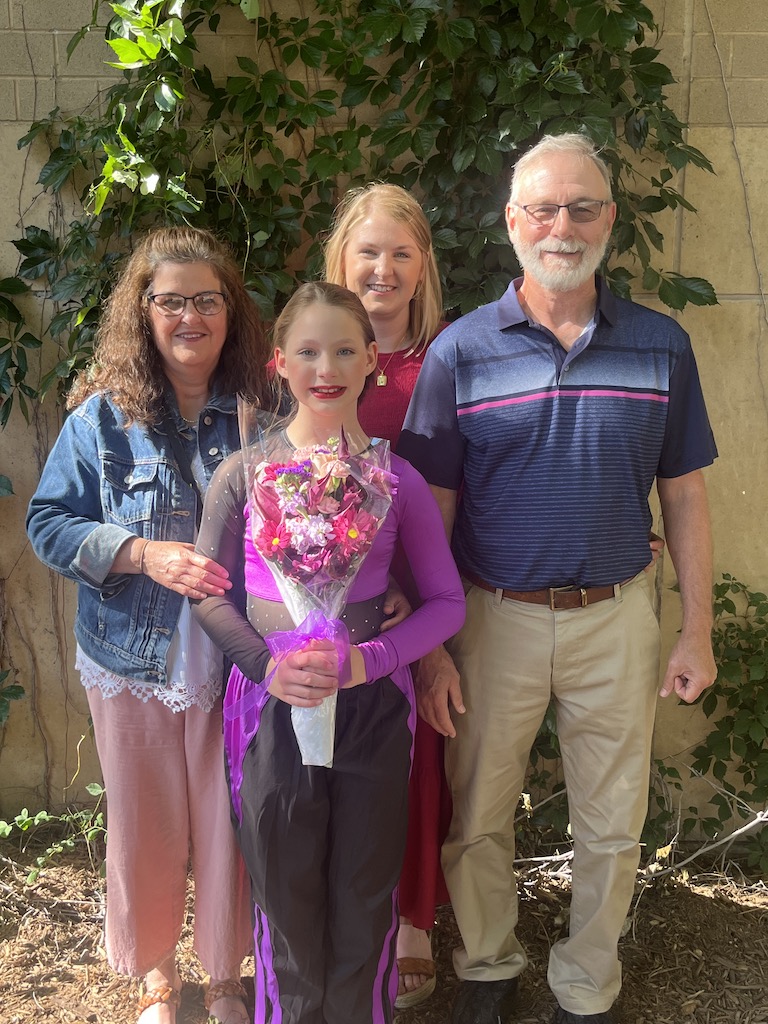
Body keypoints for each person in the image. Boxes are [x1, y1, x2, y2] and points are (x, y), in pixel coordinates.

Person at [398, 133, 718, 1024]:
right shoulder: (460, 353)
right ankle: (489, 967)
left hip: (617, 617)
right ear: (512, 222)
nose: (563, 225)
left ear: (609, 220)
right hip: (493, 620)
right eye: (544, 207)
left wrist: (695, 630)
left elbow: (685, 497)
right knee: (477, 814)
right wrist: (432, 647)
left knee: (613, 825)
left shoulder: (661, 346)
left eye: (583, 207)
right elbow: (431, 512)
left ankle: (587, 987)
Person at [190, 281, 466, 1024]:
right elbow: (210, 595)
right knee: (284, 893)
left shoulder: (395, 478)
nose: (327, 366)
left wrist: (369, 661)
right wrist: (266, 665)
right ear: (280, 362)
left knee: (362, 892)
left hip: (374, 708)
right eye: (308, 351)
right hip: (271, 710)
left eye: (345, 349)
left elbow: (446, 603)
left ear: (373, 360)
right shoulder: (241, 475)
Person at [26, 227, 272, 1024]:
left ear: (231, 312)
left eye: (208, 300)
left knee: (228, 825)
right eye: (172, 301)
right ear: (145, 311)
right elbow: (48, 524)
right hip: (134, 659)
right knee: (146, 826)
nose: (191, 316)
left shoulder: (266, 414)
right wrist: (137, 552)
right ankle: (159, 977)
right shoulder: (101, 419)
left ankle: (227, 977)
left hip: (239, 659)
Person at [323, 181, 448, 1008]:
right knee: (328, 762)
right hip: (322, 602)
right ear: (341, 259)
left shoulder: (450, 358)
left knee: (419, 756)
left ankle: (414, 918)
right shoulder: (310, 349)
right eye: (368, 251)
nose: (384, 268)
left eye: (401, 252)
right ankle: (337, 911)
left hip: (424, 598)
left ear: (423, 266)